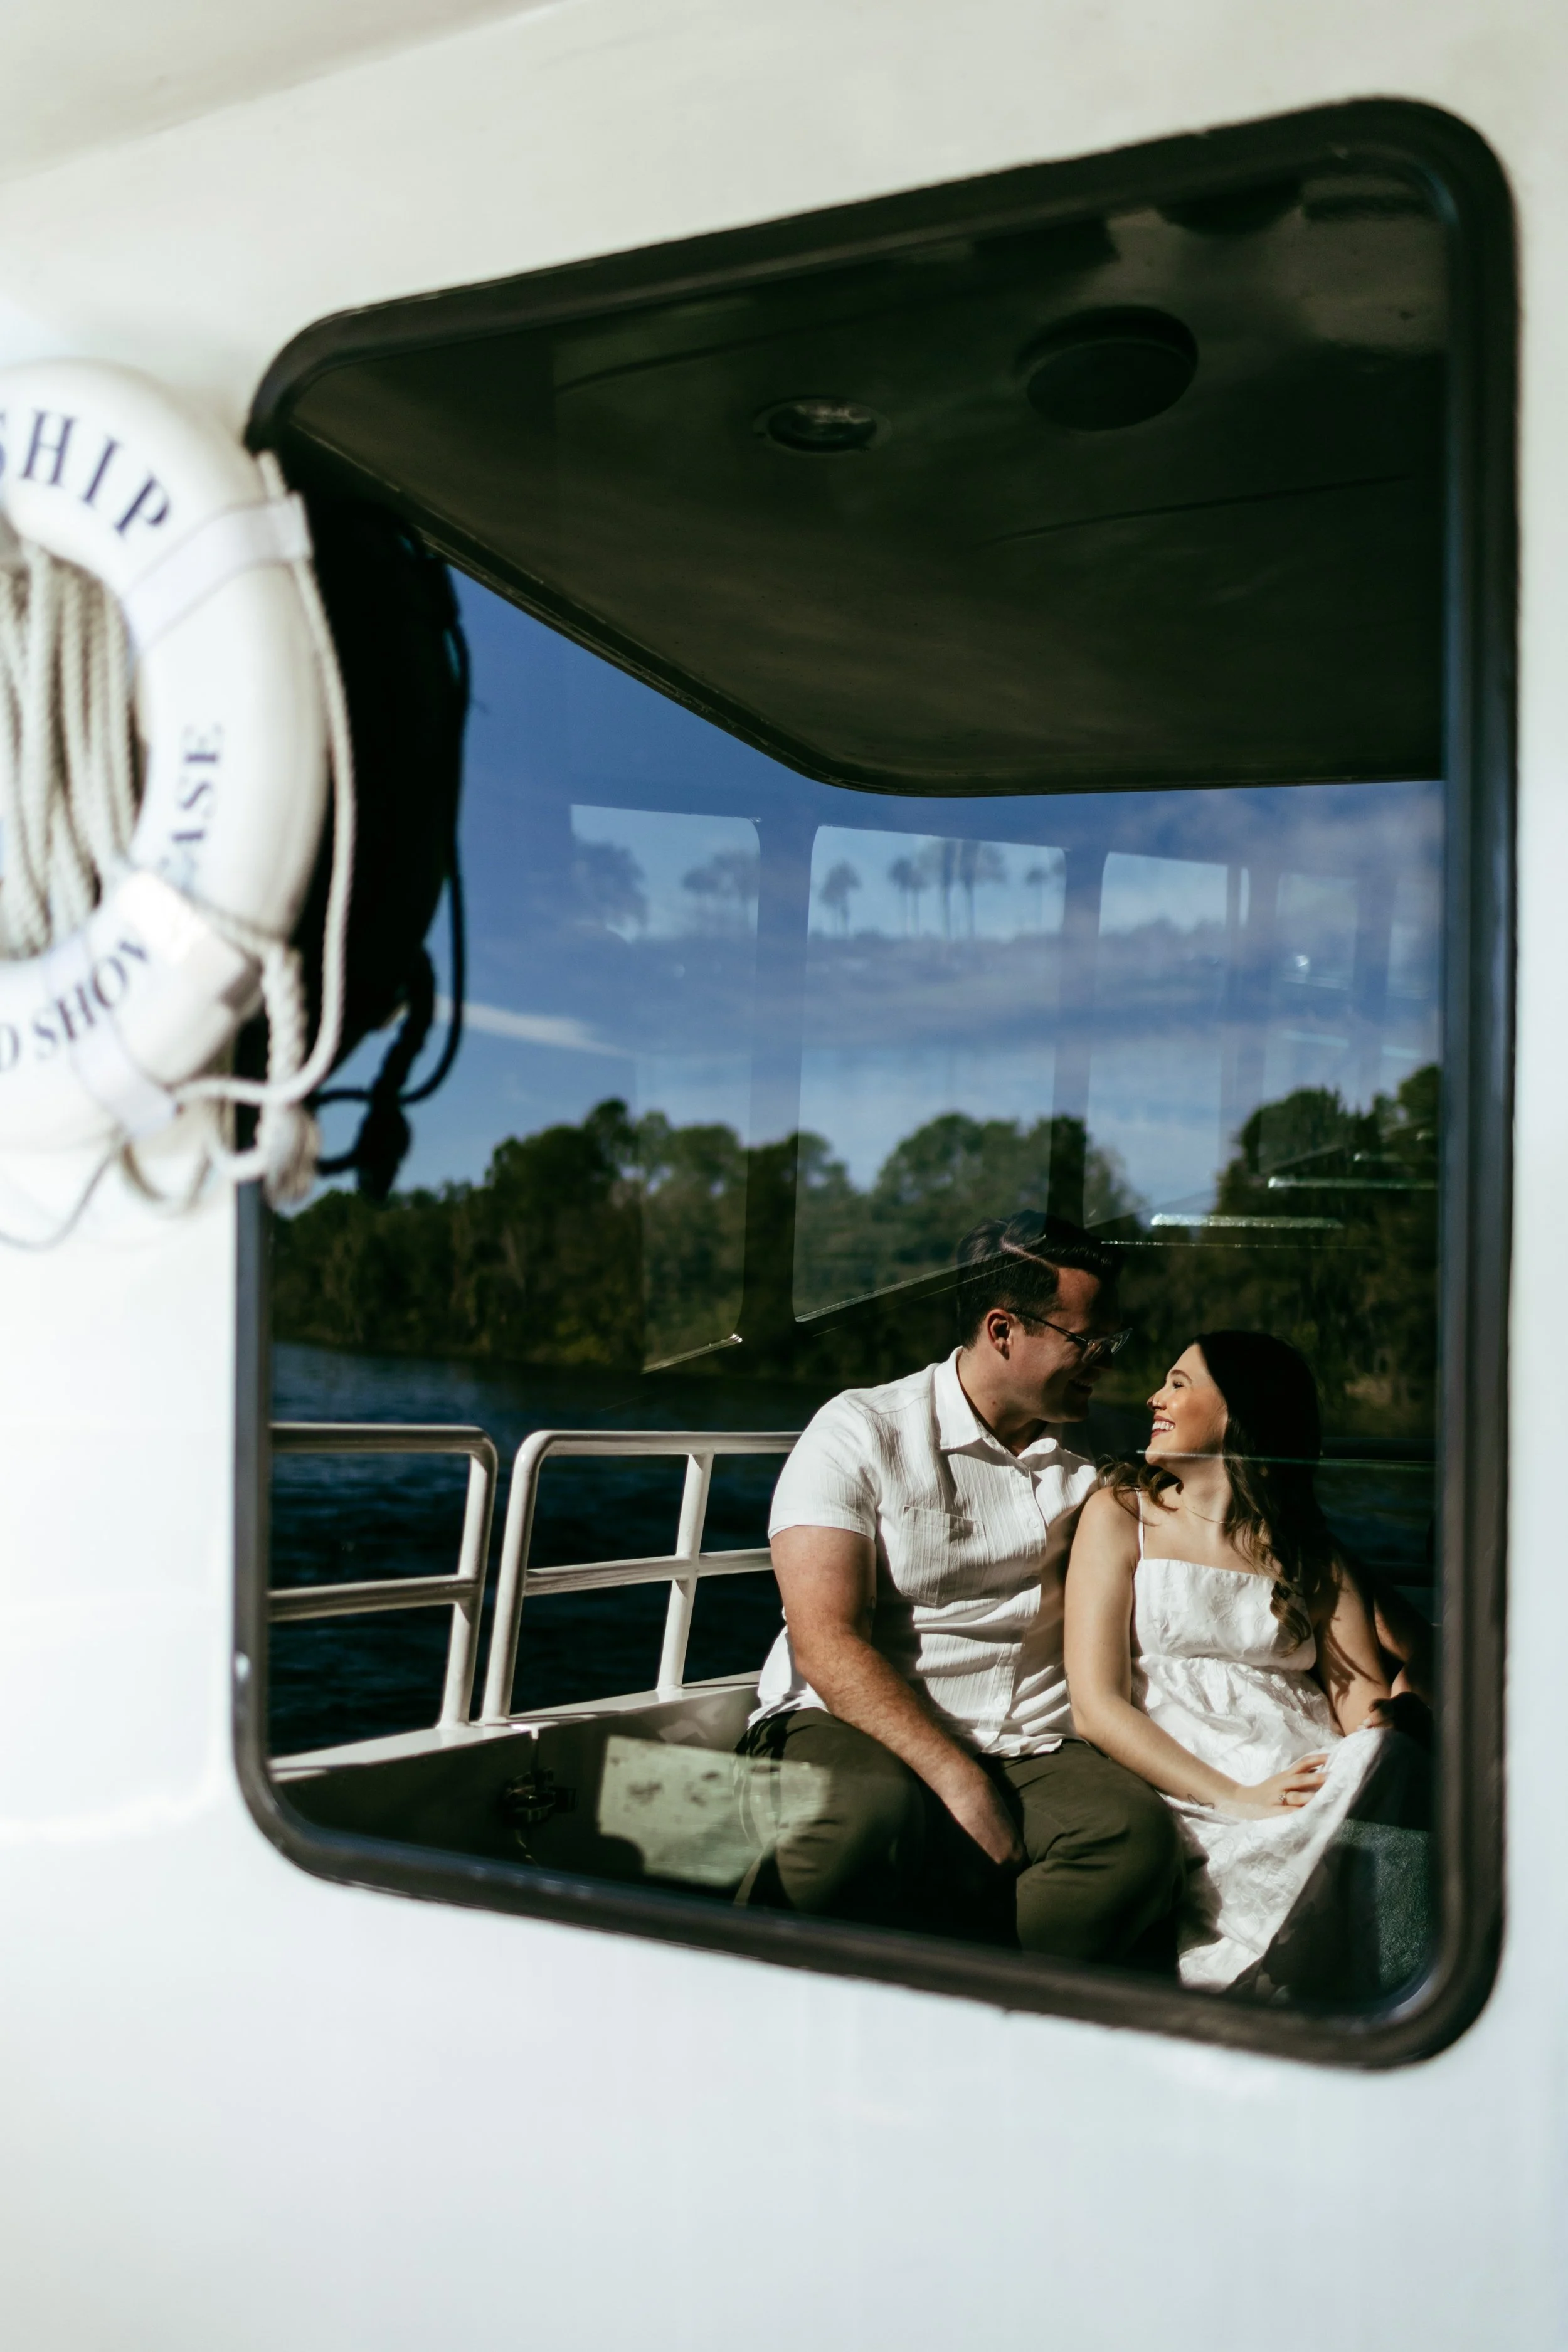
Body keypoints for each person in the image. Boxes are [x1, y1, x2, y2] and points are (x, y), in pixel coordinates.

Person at [736, 1212, 1185, 1965]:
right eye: (1088, 1343)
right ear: (1002, 1329)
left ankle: (982, 2018)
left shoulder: (1098, 1459)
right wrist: (955, 1778)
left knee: (1130, 1840)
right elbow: (824, 1640)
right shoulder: (859, 1431)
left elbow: (1208, 1537)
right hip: (850, 1727)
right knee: (865, 1814)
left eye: (1115, 1343)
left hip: (1032, 1746)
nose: (1106, 1363)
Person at [1062, 1328, 1395, 1993]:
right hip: (1200, 1783)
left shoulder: (1304, 1548)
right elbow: (1097, 1707)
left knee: (1382, 1769)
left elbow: (1362, 1702)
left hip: (1303, 1767)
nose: (1155, 1398)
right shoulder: (1122, 1514)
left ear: (1237, 1415)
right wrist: (1237, 1798)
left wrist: (1382, 1742)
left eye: (1178, 1385)